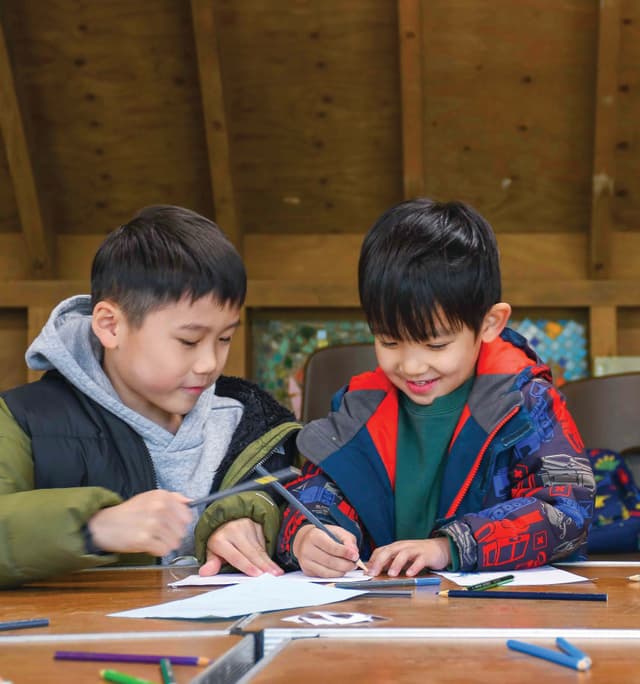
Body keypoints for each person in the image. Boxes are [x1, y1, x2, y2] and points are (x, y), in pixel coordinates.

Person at [277, 198, 595, 578]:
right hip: (379, 616)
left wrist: (449, 547)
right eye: (390, 342)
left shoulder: (524, 404)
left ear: (490, 323)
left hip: (494, 618)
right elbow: (315, 489)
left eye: (435, 345)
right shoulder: (358, 408)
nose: (411, 366)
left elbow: (566, 511)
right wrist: (308, 535)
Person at [0, 205, 300, 588]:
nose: (209, 363)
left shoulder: (255, 426)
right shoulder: (23, 421)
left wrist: (253, 519)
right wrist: (93, 528)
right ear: (111, 326)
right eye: (188, 341)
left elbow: (299, 505)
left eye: (224, 338)